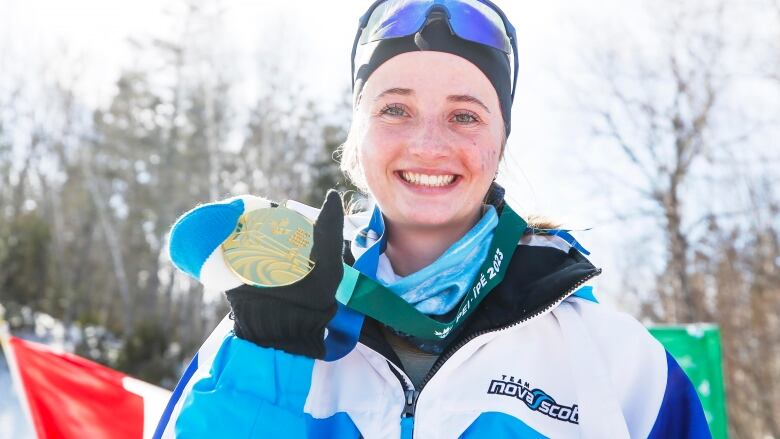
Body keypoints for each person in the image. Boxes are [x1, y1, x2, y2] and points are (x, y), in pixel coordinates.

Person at [155, 1, 711, 437]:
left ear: (501, 141)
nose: (428, 144)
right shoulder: (259, 325)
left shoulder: (618, 362)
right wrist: (265, 366)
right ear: (358, 136)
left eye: (464, 115)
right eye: (395, 108)